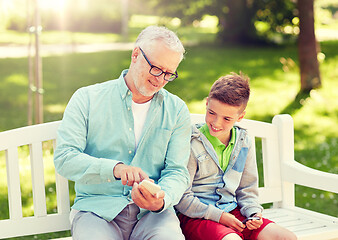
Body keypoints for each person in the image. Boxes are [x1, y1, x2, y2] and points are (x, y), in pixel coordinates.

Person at [54, 26, 191, 240]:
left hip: (152, 217)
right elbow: (65, 158)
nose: (160, 80)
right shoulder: (87, 99)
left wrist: (161, 200)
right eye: (156, 68)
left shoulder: (177, 110)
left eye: (169, 74)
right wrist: (114, 169)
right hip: (96, 212)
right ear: (135, 55)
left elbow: (177, 172)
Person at [175, 73, 297, 240]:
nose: (217, 123)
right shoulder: (191, 142)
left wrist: (253, 213)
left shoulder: (244, 142)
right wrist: (220, 217)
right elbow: (181, 198)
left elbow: (247, 189)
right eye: (212, 113)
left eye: (226, 118)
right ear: (206, 104)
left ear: (240, 117)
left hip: (233, 213)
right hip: (197, 217)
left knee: (286, 237)